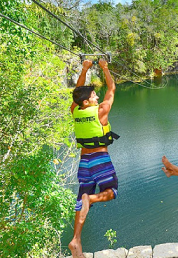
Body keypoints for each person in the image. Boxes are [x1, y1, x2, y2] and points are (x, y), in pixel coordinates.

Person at [68, 59, 119, 258]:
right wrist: (105, 68)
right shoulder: (101, 112)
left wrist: (85, 69)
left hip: (84, 163)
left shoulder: (75, 110)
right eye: (93, 95)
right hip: (100, 159)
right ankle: (92, 198)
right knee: (111, 192)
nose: (97, 96)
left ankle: (76, 240)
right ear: (87, 102)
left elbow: (78, 90)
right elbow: (112, 88)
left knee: (81, 199)